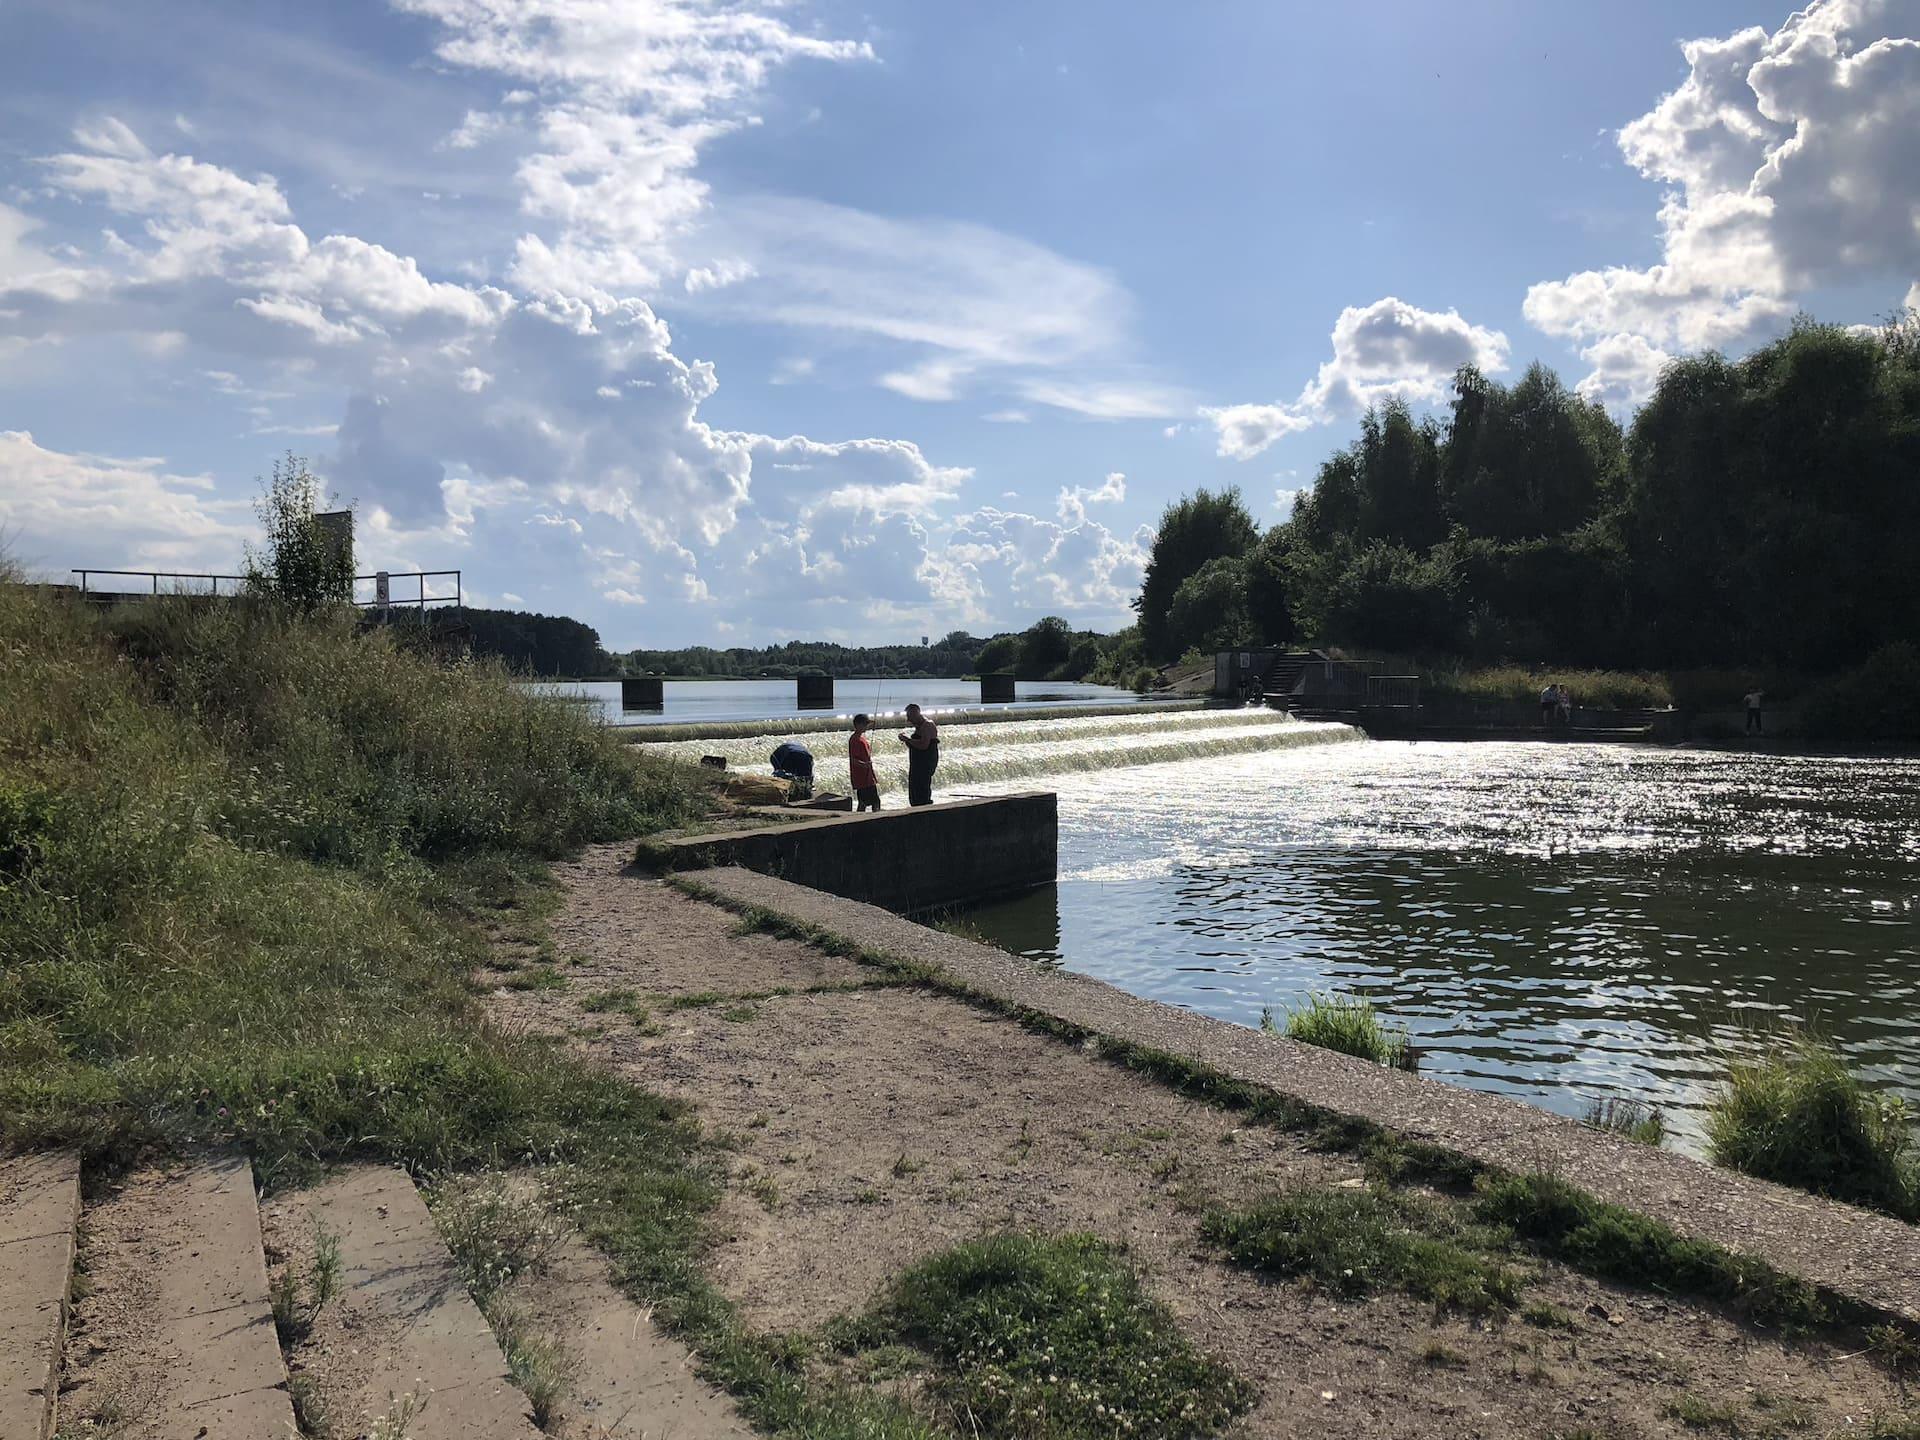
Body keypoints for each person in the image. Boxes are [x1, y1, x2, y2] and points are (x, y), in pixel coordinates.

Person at [899, 702, 940, 807]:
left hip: (925, 763)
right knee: (914, 789)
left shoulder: (927, 725)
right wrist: (907, 741)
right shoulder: (919, 726)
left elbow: (924, 745)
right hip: (917, 763)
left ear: (915, 714)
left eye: (909, 716)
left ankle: (924, 808)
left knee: (922, 788)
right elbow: (916, 746)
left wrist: (907, 739)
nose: (908, 720)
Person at [849, 713, 881, 812]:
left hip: (867, 777)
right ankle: (875, 820)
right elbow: (853, 760)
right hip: (862, 778)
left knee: (865, 802)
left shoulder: (861, 738)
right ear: (858, 725)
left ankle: (861, 820)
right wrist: (864, 765)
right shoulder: (855, 740)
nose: (866, 726)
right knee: (872, 802)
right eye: (865, 724)